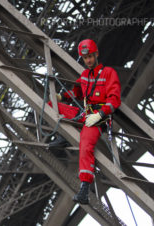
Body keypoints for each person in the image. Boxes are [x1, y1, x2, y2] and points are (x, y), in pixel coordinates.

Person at [48, 39, 121, 204]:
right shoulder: (85, 76)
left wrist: (100, 115)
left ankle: (84, 188)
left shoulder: (109, 73)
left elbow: (114, 100)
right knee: (52, 105)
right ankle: (64, 136)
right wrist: (60, 96)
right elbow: (77, 93)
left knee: (86, 143)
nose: (88, 60)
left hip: (98, 119)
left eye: (90, 56)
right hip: (85, 114)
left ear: (96, 54)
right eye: (85, 57)